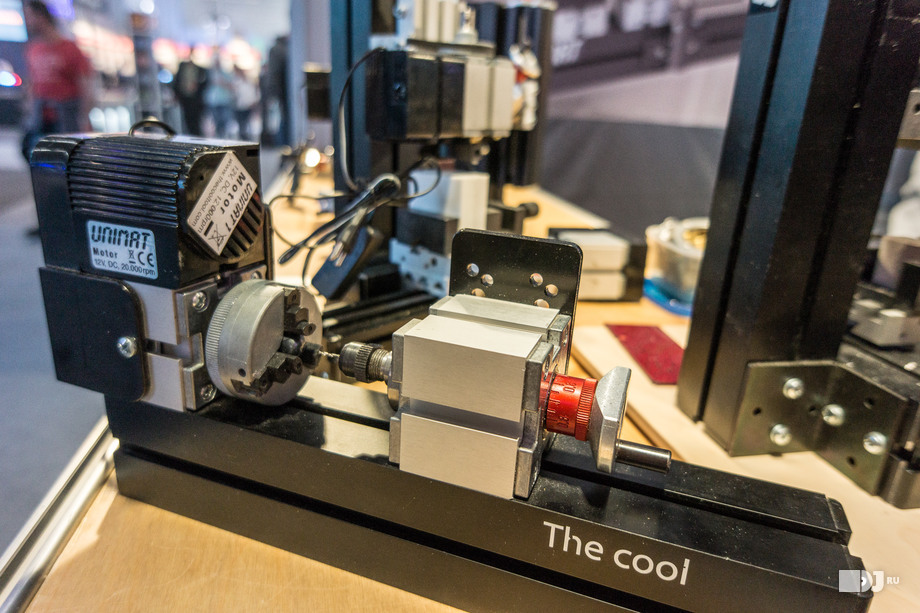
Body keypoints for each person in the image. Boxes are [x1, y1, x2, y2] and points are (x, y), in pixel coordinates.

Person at [21, 0, 92, 155]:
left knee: (66, 158)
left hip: (66, 120)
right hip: (40, 120)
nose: (26, 21)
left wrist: (84, 119)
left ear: (41, 17)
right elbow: (32, 84)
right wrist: (29, 113)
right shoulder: (33, 49)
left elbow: (86, 87)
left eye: (29, 16)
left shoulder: (70, 48)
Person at [173, 55, 208, 136]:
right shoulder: (182, 68)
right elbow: (177, 83)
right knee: (187, 119)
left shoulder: (200, 70)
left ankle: (196, 135)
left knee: (196, 120)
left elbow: (204, 83)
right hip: (185, 98)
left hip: (196, 100)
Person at [205, 59, 233, 139]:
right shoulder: (210, 74)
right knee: (216, 119)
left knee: (224, 120)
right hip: (214, 101)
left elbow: (231, 85)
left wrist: (223, 82)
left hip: (224, 100)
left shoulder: (225, 74)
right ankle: (218, 134)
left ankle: (222, 134)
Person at [231, 65, 259, 141]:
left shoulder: (250, 82)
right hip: (239, 105)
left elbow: (253, 93)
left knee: (248, 122)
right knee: (241, 123)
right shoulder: (236, 81)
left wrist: (254, 101)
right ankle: (242, 137)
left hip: (248, 105)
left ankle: (248, 137)